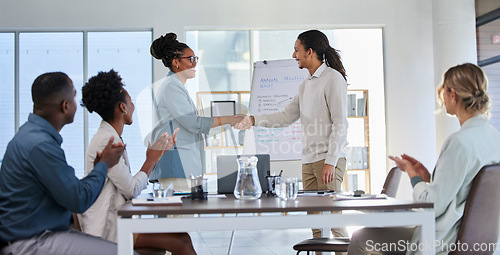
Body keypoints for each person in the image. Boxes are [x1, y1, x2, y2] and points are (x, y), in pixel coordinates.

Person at [347, 63, 500, 255]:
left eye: (443, 91)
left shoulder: (459, 143)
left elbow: (432, 204)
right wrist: (427, 177)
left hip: (441, 242)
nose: (442, 97)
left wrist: (413, 175)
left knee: (361, 237)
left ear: (452, 94)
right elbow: (463, 189)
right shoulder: (493, 137)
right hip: (478, 243)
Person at [236, 29, 349, 241]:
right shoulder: (305, 84)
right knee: (315, 223)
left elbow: (341, 124)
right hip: (308, 161)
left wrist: (331, 162)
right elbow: (287, 116)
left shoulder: (333, 79)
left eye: (297, 50)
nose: (293, 55)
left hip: (327, 160)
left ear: (310, 52)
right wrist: (253, 120)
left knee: (333, 220)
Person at [0, 72, 125, 255]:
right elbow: (78, 200)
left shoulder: (32, 136)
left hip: (39, 234)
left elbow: (70, 193)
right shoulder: (40, 145)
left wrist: (100, 167)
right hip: (31, 242)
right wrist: (104, 165)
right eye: (74, 97)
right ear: (65, 106)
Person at [79, 70, 197, 254]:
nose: (133, 105)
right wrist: (151, 159)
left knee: (161, 247)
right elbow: (131, 189)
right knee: (181, 241)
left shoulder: (109, 136)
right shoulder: (106, 141)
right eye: (131, 101)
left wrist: (154, 157)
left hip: (118, 223)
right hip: (108, 230)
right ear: (122, 107)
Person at [150, 32, 245, 191]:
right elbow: (194, 123)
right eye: (190, 59)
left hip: (181, 166)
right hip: (176, 165)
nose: (194, 64)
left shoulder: (176, 86)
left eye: (196, 59)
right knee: (179, 214)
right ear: (176, 62)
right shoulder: (171, 87)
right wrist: (231, 119)